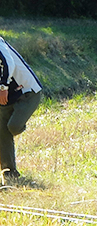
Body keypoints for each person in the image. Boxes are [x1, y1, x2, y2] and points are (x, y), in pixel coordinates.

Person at [0, 36, 43, 186]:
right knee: (2, 132)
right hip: (6, 97)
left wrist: (3, 87)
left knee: (13, 127)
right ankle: (10, 174)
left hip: (27, 92)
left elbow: (8, 63)